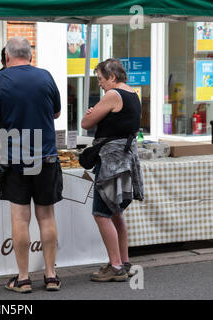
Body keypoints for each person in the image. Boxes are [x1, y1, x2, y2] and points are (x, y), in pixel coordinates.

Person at [0, 36, 63, 293]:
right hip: (46, 157)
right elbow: (57, 113)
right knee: (47, 216)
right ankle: (51, 275)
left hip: (14, 158)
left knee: (20, 218)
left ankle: (23, 278)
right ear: (30, 55)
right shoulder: (46, 77)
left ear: (6, 56)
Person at [81, 58, 144, 282]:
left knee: (101, 213)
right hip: (126, 161)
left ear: (112, 78)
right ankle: (124, 262)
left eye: (100, 79)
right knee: (116, 211)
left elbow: (85, 124)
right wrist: (99, 113)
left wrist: (93, 113)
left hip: (110, 162)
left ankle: (115, 266)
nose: (99, 83)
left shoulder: (113, 95)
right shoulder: (133, 94)